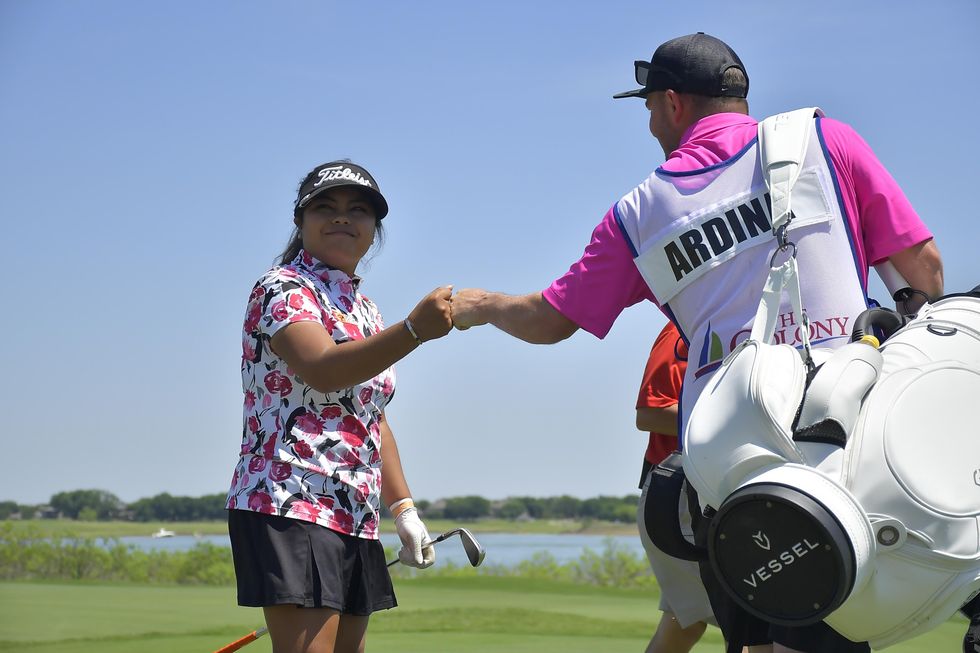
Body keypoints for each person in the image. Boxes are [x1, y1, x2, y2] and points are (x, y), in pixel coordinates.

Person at [450, 32, 944, 653]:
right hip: (852, 443)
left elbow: (551, 319)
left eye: (649, 107)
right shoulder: (826, 139)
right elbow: (924, 270)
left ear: (673, 102)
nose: (651, 124)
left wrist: (480, 306)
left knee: (758, 639)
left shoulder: (638, 212)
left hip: (728, 466)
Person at [224, 160, 454, 653]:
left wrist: (404, 510)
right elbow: (324, 369)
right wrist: (414, 330)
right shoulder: (282, 288)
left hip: (355, 510)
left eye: (358, 210)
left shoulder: (365, 310)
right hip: (290, 497)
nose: (342, 217)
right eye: (325, 207)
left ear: (374, 229)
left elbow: (374, 418)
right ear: (301, 220)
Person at [635, 321, 716, 653]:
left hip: (719, 492)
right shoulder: (685, 329)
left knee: (682, 627)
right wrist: (733, 424)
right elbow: (650, 413)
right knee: (749, 625)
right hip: (681, 494)